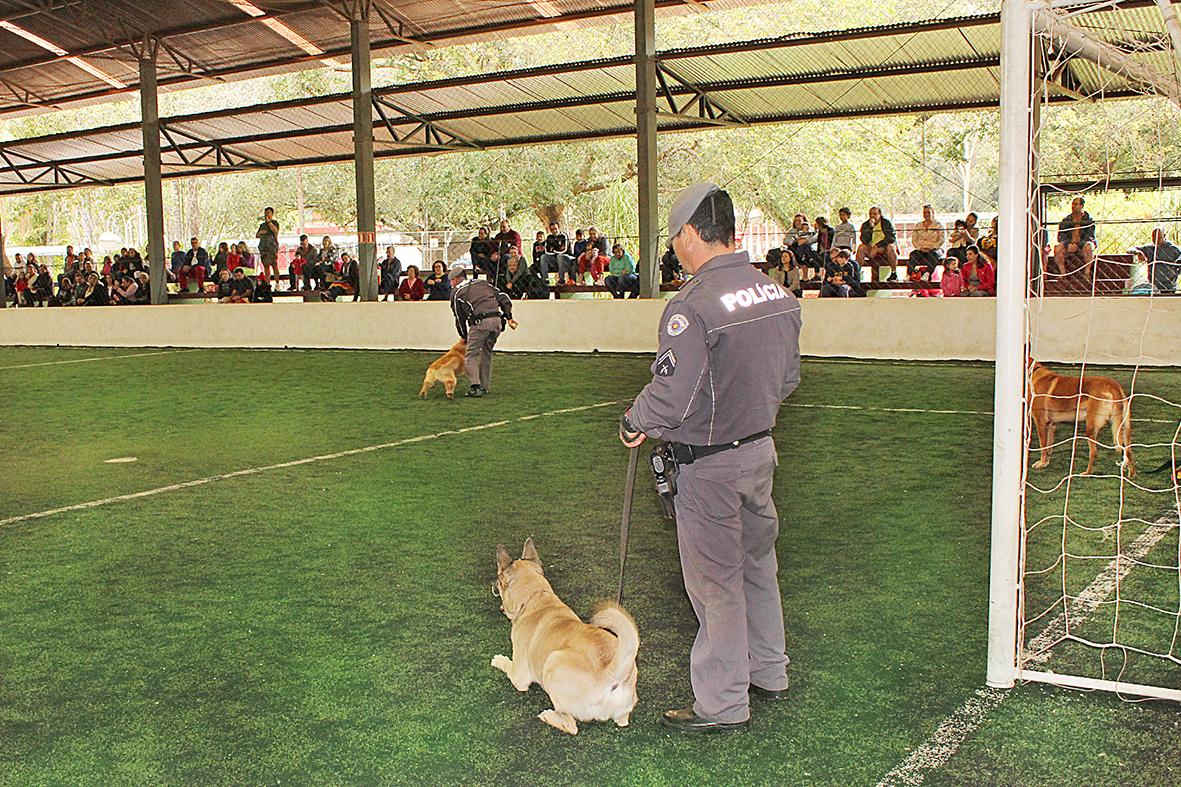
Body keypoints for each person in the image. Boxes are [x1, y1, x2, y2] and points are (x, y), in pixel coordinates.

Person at [619, 182, 801, 736]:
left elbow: (673, 394)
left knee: (714, 583)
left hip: (709, 465)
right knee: (756, 567)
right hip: (760, 451)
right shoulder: (776, 294)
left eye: (675, 238)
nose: (675, 248)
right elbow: (788, 380)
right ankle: (768, 670)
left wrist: (635, 421)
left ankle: (722, 703)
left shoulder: (692, 305)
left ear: (692, 233)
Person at [448, 263, 518, 397]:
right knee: (487, 352)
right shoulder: (483, 283)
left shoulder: (456, 293)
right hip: (497, 322)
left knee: (470, 355)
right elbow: (503, 297)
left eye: (451, 280)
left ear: (455, 279)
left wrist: (464, 336)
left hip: (480, 323)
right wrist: (509, 317)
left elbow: (459, 317)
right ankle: (485, 386)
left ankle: (475, 387)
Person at [1053, 197, 1096, 280]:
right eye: (1072, 204)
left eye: (1076, 204)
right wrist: (1068, 244)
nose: (1073, 206)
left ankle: (1087, 272)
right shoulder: (1066, 220)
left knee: (1089, 246)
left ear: (1082, 206)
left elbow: (1090, 236)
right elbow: (1061, 235)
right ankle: (1063, 272)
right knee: (1057, 248)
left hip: (1082, 245)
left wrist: (1078, 244)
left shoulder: (1089, 220)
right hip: (1069, 245)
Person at [856, 206, 897, 281]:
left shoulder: (886, 223)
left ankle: (894, 273)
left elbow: (891, 238)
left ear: (880, 214)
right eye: (871, 214)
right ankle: (857, 273)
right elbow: (864, 239)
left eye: (875, 214)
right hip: (871, 249)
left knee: (891, 247)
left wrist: (877, 246)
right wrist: (870, 228)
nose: (872, 216)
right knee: (861, 247)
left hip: (884, 247)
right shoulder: (866, 225)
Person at [1134, 227, 1181, 293]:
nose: (1155, 238)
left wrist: (1176, 272)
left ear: (1164, 236)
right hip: (1153, 287)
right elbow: (1130, 249)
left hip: (1169, 288)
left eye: (1158, 235)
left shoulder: (1173, 249)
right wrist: (1138, 252)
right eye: (1153, 235)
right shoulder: (1149, 248)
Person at [908, 205, 945, 279]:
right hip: (921, 249)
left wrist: (932, 247)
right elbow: (914, 239)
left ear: (933, 213)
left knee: (933, 255)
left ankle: (927, 274)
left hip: (934, 249)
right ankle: (909, 274)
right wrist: (920, 247)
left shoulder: (938, 225)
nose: (927, 214)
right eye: (925, 212)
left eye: (929, 212)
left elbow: (942, 239)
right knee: (913, 255)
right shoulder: (918, 225)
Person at [540, 221, 574, 288]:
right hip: (555, 258)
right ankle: (545, 279)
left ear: (559, 228)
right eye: (552, 229)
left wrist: (553, 249)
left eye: (555, 228)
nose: (554, 231)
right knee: (543, 257)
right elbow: (547, 251)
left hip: (566, 258)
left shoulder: (564, 236)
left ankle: (561, 279)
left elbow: (564, 250)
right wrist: (557, 249)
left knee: (560, 256)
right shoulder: (549, 237)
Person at [256, 207, 281, 290]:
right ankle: (267, 284)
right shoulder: (262, 225)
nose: (267, 214)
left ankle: (277, 283)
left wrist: (269, 222)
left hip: (272, 248)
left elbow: (275, 231)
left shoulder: (274, 223)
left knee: (274, 265)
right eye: (265, 213)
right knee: (266, 266)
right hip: (264, 248)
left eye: (268, 213)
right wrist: (261, 232)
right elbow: (257, 235)